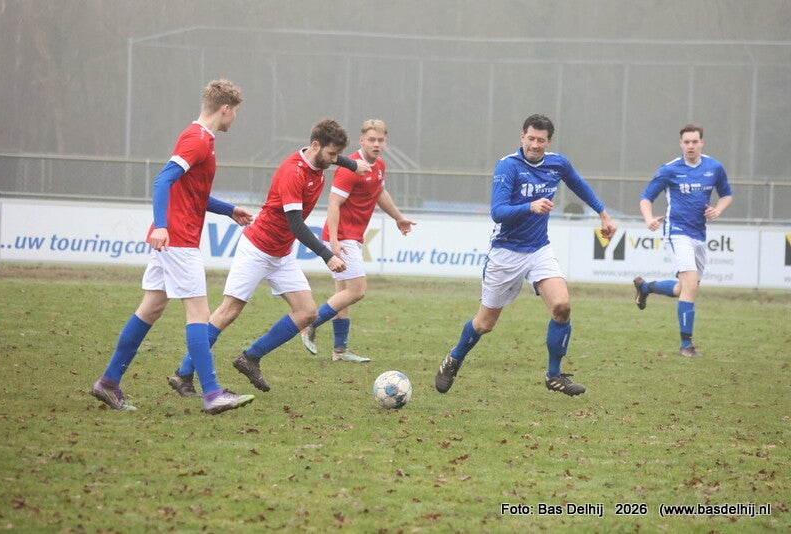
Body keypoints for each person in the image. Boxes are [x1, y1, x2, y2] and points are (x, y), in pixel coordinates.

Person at [166, 118, 371, 395]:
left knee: (307, 312)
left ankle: (250, 358)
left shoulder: (319, 159)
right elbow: (295, 224)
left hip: (281, 253)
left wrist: (352, 165)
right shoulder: (293, 173)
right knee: (228, 311)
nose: (335, 160)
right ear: (315, 146)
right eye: (333, 154)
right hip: (257, 248)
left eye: (338, 155)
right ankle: (183, 373)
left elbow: (333, 159)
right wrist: (327, 255)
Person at [91, 79, 256, 415]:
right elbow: (163, 179)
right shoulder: (197, 139)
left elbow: (192, 192)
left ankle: (108, 382)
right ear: (225, 108)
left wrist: (228, 210)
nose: (235, 118)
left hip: (174, 239)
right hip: (178, 240)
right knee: (199, 314)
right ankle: (212, 393)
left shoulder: (201, 139)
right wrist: (162, 225)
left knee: (150, 308)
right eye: (235, 112)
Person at [434, 114, 617, 397]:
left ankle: (554, 375)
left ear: (548, 141)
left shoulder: (558, 164)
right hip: (505, 252)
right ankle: (454, 358)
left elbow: (578, 184)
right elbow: (498, 212)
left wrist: (603, 213)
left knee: (562, 307)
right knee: (484, 324)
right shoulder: (508, 166)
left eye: (540, 140)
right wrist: (529, 207)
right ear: (522, 137)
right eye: (530, 138)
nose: (534, 144)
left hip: (539, 249)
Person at [300, 119, 416, 362]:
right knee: (357, 290)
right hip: (342, 238)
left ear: (385, 142)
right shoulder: (349, 168)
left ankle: (340, 351)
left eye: (380, 140)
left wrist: (399, 218)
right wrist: (334, 241)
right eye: (371, 140)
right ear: (362, 141)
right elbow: (333, 204)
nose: (376, 144)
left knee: (343, 294)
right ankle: (309, 324)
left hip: (353, 237)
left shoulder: (379, 165)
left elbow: (379, 193)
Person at [633, 124, 733, 358]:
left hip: (699, 234)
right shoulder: (669, 169)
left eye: (694, 142)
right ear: (681, 144)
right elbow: (646, 197)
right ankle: (686, 345)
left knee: (685, 288)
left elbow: (726, 194)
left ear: (701, 143)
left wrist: (718, 209)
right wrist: (648, 219)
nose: (690, 146)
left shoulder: (714, 167)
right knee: (690, 286)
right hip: (676, 231)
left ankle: (645, 287)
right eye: (686, 142)